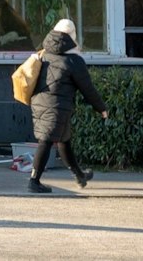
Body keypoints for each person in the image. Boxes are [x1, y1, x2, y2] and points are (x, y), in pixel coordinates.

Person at [28, 17, 108, 194]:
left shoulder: (44, 53)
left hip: (40, 101)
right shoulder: (74, 61)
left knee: (63, 139)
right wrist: (101, 108)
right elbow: (88, 89)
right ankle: (34, 181)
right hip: (56, 105)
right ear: (72, 36)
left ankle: (79, 175)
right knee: (47, 140)